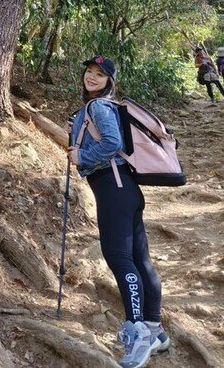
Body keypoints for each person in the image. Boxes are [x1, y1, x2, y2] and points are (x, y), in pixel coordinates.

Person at [69, 55, 170, 368]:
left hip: (113, 190)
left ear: (109, 80)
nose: (92, 78)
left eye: (100, 74)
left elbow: (111, 143)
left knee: (119, 258)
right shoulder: (109, 107)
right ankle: (155, 330)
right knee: (140, 259)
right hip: (127, 191)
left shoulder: (98, 107)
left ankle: (138, 332)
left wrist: (80, 155)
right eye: (89, 71)